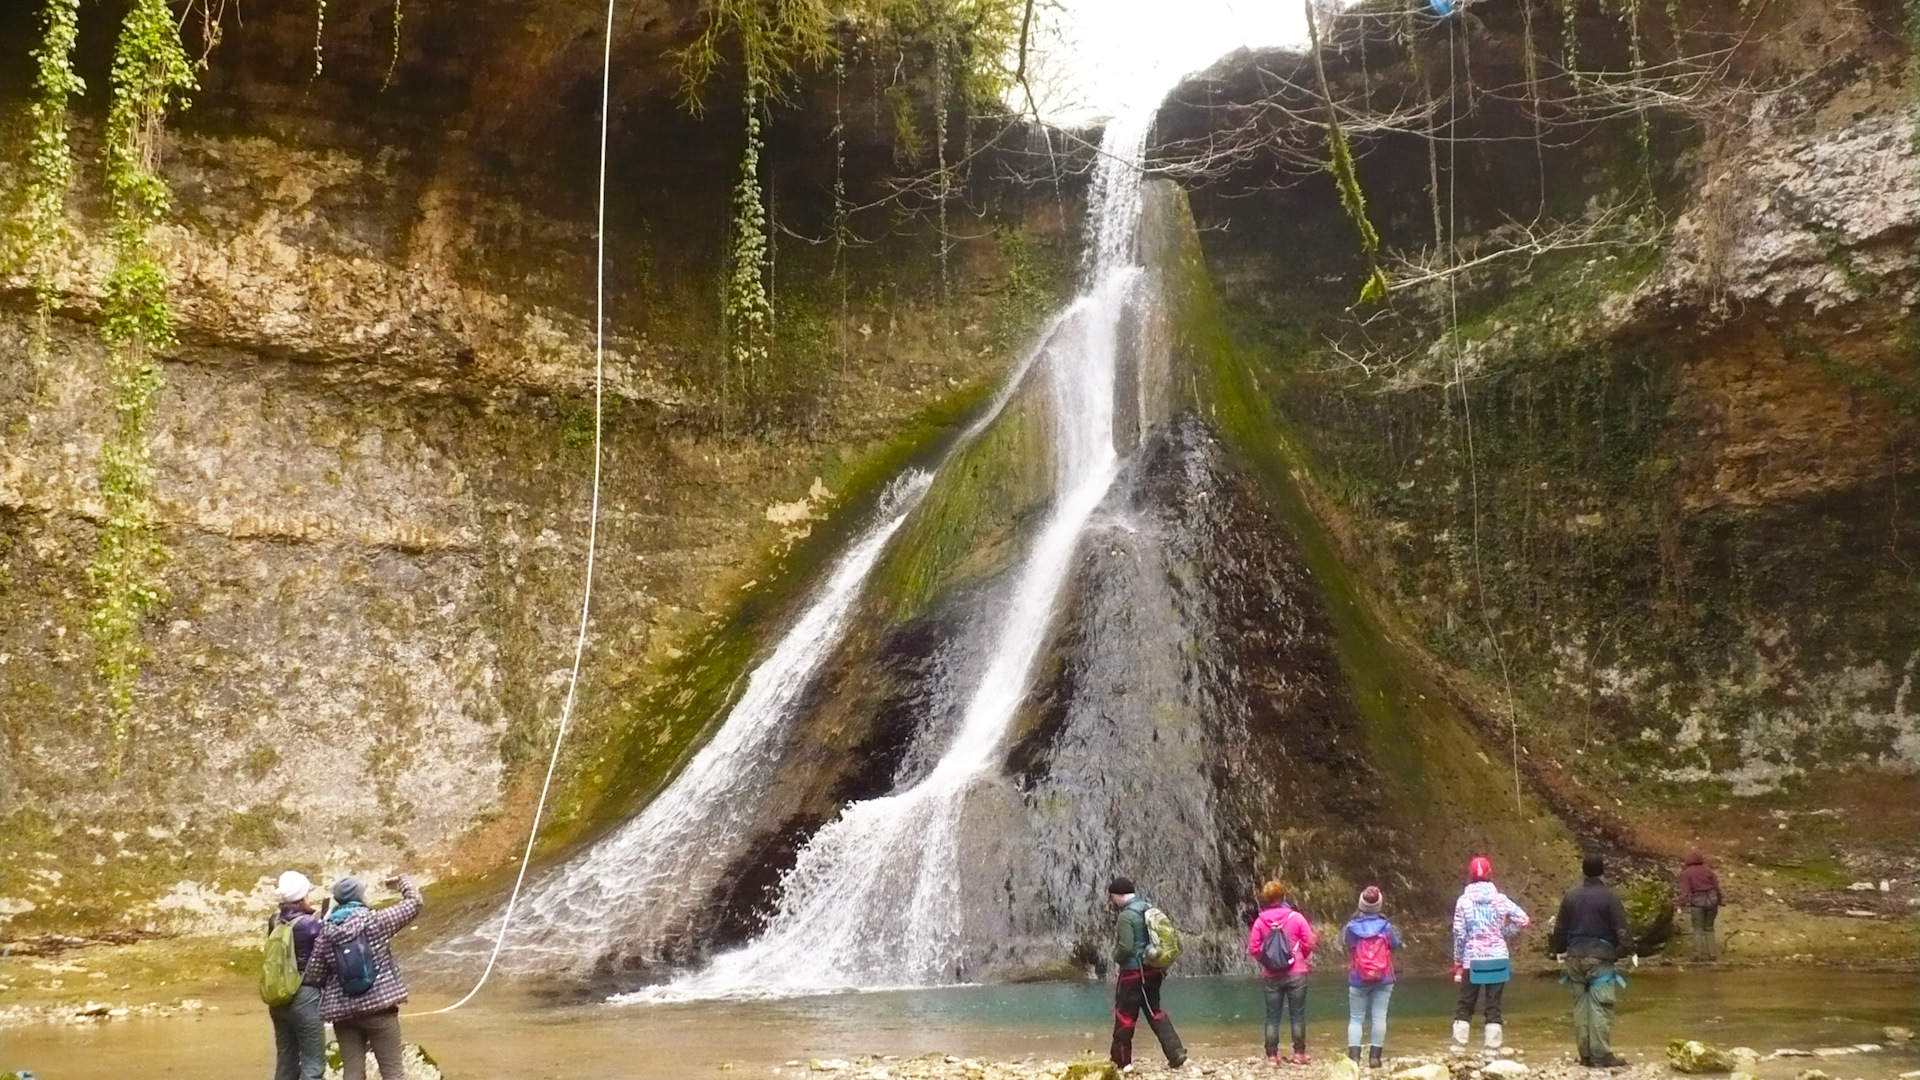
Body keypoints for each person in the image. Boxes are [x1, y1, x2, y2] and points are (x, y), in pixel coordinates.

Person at [303, 875, 424, 1080]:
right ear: (360, 897)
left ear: (337, 901)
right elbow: (414, 902)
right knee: (393, 1073)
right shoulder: (378, 921)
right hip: (380, 1009)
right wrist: (403, 880)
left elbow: (314, 975)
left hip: (343, 1015)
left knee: (352, 1073)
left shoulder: (325, 933)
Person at [1548, 853, 1634, 1069]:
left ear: (1583, 871)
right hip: (1600, 959)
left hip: (1574, 958)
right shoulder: (1610, 897)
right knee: (1601, 1006)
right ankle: (1601, 1055)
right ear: (1603, 871)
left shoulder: (1570, 895)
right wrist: (1624, 951)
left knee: (1580, 1007)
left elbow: (1560, 929)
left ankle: (1585, 1055)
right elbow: (1622, 929)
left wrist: (1560, 951)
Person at [1106, 876, 1187, 1070]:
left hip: (1134, 973)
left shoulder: (1126, 916)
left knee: (1124, 1015)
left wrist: (1115, 956)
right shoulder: (1146, 908)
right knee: (1154, 1011)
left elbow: (1125, 947)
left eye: (1112, 896)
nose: (1112, 900)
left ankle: (1122, 1060)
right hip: (1152, 971)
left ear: (1118, 896)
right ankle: (1175, 1052)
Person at [1450, 856, 1530, 1051]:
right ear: (1490, 874)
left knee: (1466, 1002)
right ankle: (1491, 1049)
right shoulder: (1500, 900)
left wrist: (1457, 960)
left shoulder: (1463, 902)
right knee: (1494, 1005)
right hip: (1498, 957)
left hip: (1472, 959)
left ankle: (1459, 1047)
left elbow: (1459, 933)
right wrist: (1503, 933)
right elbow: (1523, 919)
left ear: (1470, 875)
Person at [1248, 879, 1318, 1065]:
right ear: (1283, 896)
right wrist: (1301, 955)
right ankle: (1299, 1054)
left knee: (1272, 1016)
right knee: (1297, 1015)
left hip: (1271, 975)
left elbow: (1253, 948)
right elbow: (1310, 941)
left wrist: (1268, 961)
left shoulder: (1260, 922)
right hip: (1297, 973)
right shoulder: (1296, 918)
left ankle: (1272, 1056)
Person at [267, 871, 326, 1080]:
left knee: (286, 1062)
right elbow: (322, 953)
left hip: (277, 998)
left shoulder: (274, 920)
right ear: (302, 895)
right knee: (313, 1064)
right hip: (304, 996)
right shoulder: (310, 925)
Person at [1342, 886, 1404, 1069]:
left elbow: (1347, 944)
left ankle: (1354, 1059)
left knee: (1355, 1018)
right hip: (1384, 977)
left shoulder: (1352, 927)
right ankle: (1375, 1059)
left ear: (1361, 904)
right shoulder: (1386, 926)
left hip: (1357, 978)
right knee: (1379, 1017)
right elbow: (1396, 943)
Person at [1676, 848, 1722, 962]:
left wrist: (1681, 904)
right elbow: (1716, 887)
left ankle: (1697, 955)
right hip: (1712, 901)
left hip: (1697, 903)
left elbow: (1685, 892)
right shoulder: (1708, 870)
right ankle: (1712, 955)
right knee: (1709, 928)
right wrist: (1720, 899)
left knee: (1697, 929)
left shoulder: (1687, 873)